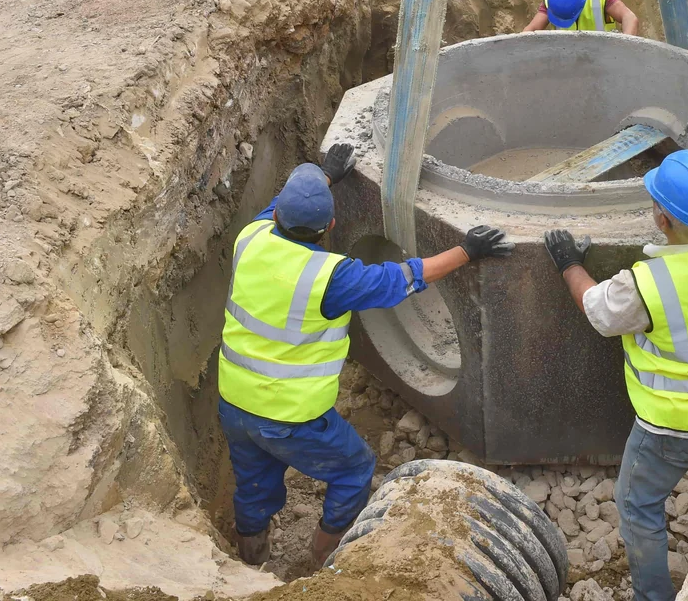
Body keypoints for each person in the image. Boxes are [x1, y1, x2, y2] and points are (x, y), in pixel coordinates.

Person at [217, 142, 514, 570]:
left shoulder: (252, 236)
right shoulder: (330, 278)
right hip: (288, 417)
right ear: (330, 225)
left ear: (278, 214)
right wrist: (467, 251)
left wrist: (324, 173)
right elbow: (403, 279)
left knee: (253, 484)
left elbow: (285, 207)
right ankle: (324, 561)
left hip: (234, 403)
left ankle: (250, 563)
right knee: (354, 470)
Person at [542, 112, 688, 601]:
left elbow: (598, 310)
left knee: (638, 506)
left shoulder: (647, 285)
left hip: (674, 426)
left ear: (661, 219)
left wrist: (570, 264)